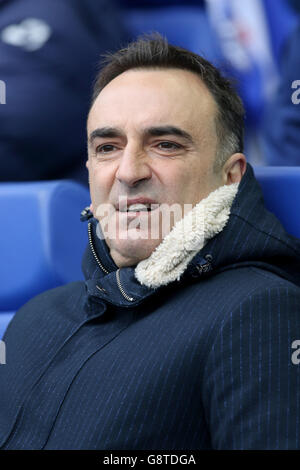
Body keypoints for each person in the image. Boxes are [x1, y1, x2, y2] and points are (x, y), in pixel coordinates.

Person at [1, 34, 300, 450]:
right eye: (108, 147)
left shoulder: (261, 311)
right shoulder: (34, 318)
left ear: (230, 175)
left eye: (165, 145)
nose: (128, 172)